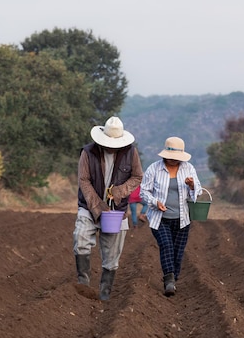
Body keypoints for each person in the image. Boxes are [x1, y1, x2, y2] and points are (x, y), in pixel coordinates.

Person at [73, 116, 143, 301]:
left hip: (117, 210)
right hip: (89, 207)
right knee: (80, 238)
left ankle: (104, 294)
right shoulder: (88, 153)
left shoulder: (131, 153)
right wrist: (97, 206)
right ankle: (83, 283)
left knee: (112, 255)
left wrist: (120, 191)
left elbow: (137, 177)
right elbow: (83, 180)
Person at [140, 136, 202, 296]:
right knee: (166, 245)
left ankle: (174, 278)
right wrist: (155, 202)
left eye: (176, 157)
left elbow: (198, 191)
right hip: (159, 218)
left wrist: (192, 185)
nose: (173, 160)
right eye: (171, 157)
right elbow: (143, 191)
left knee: (178, 251)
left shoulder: (188, 169)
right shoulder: (154, 169)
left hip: (182, 219)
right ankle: (168, 280)